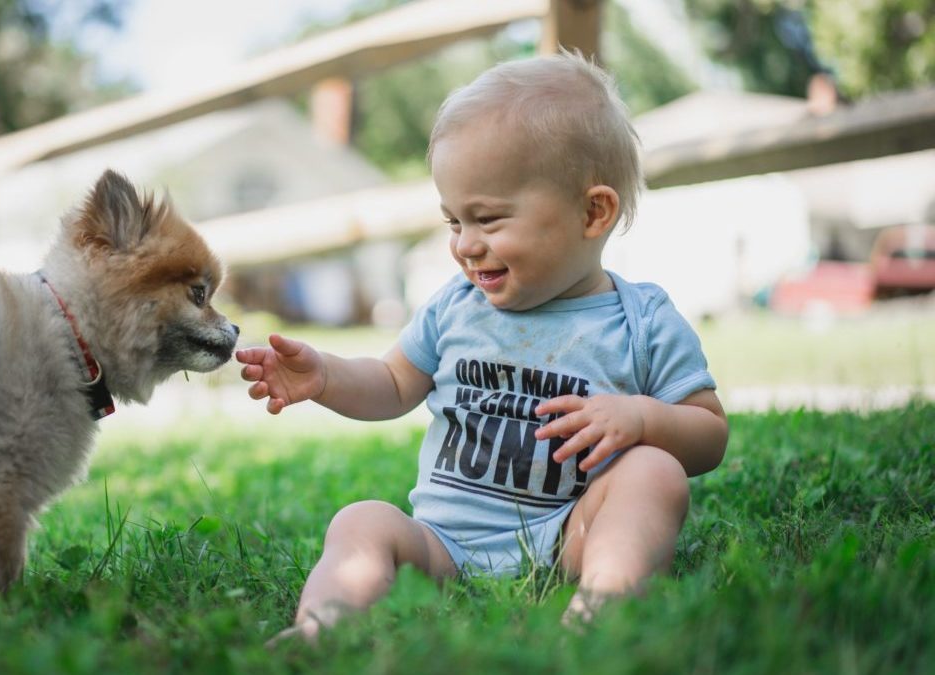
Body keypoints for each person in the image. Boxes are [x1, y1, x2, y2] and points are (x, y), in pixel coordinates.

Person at [235, 51, 728, 643]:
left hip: (569, 536)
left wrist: (642, 418)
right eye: (453, 222)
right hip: (441, 545)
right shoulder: (454, 306)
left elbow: (708, 434)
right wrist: (326, 377)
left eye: (489, 219)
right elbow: (392, 385)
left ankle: (603, 604)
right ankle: (323, 627)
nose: (466, 245)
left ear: (592, 212)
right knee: (361, 519)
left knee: (655, 472)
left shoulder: (641, 320)